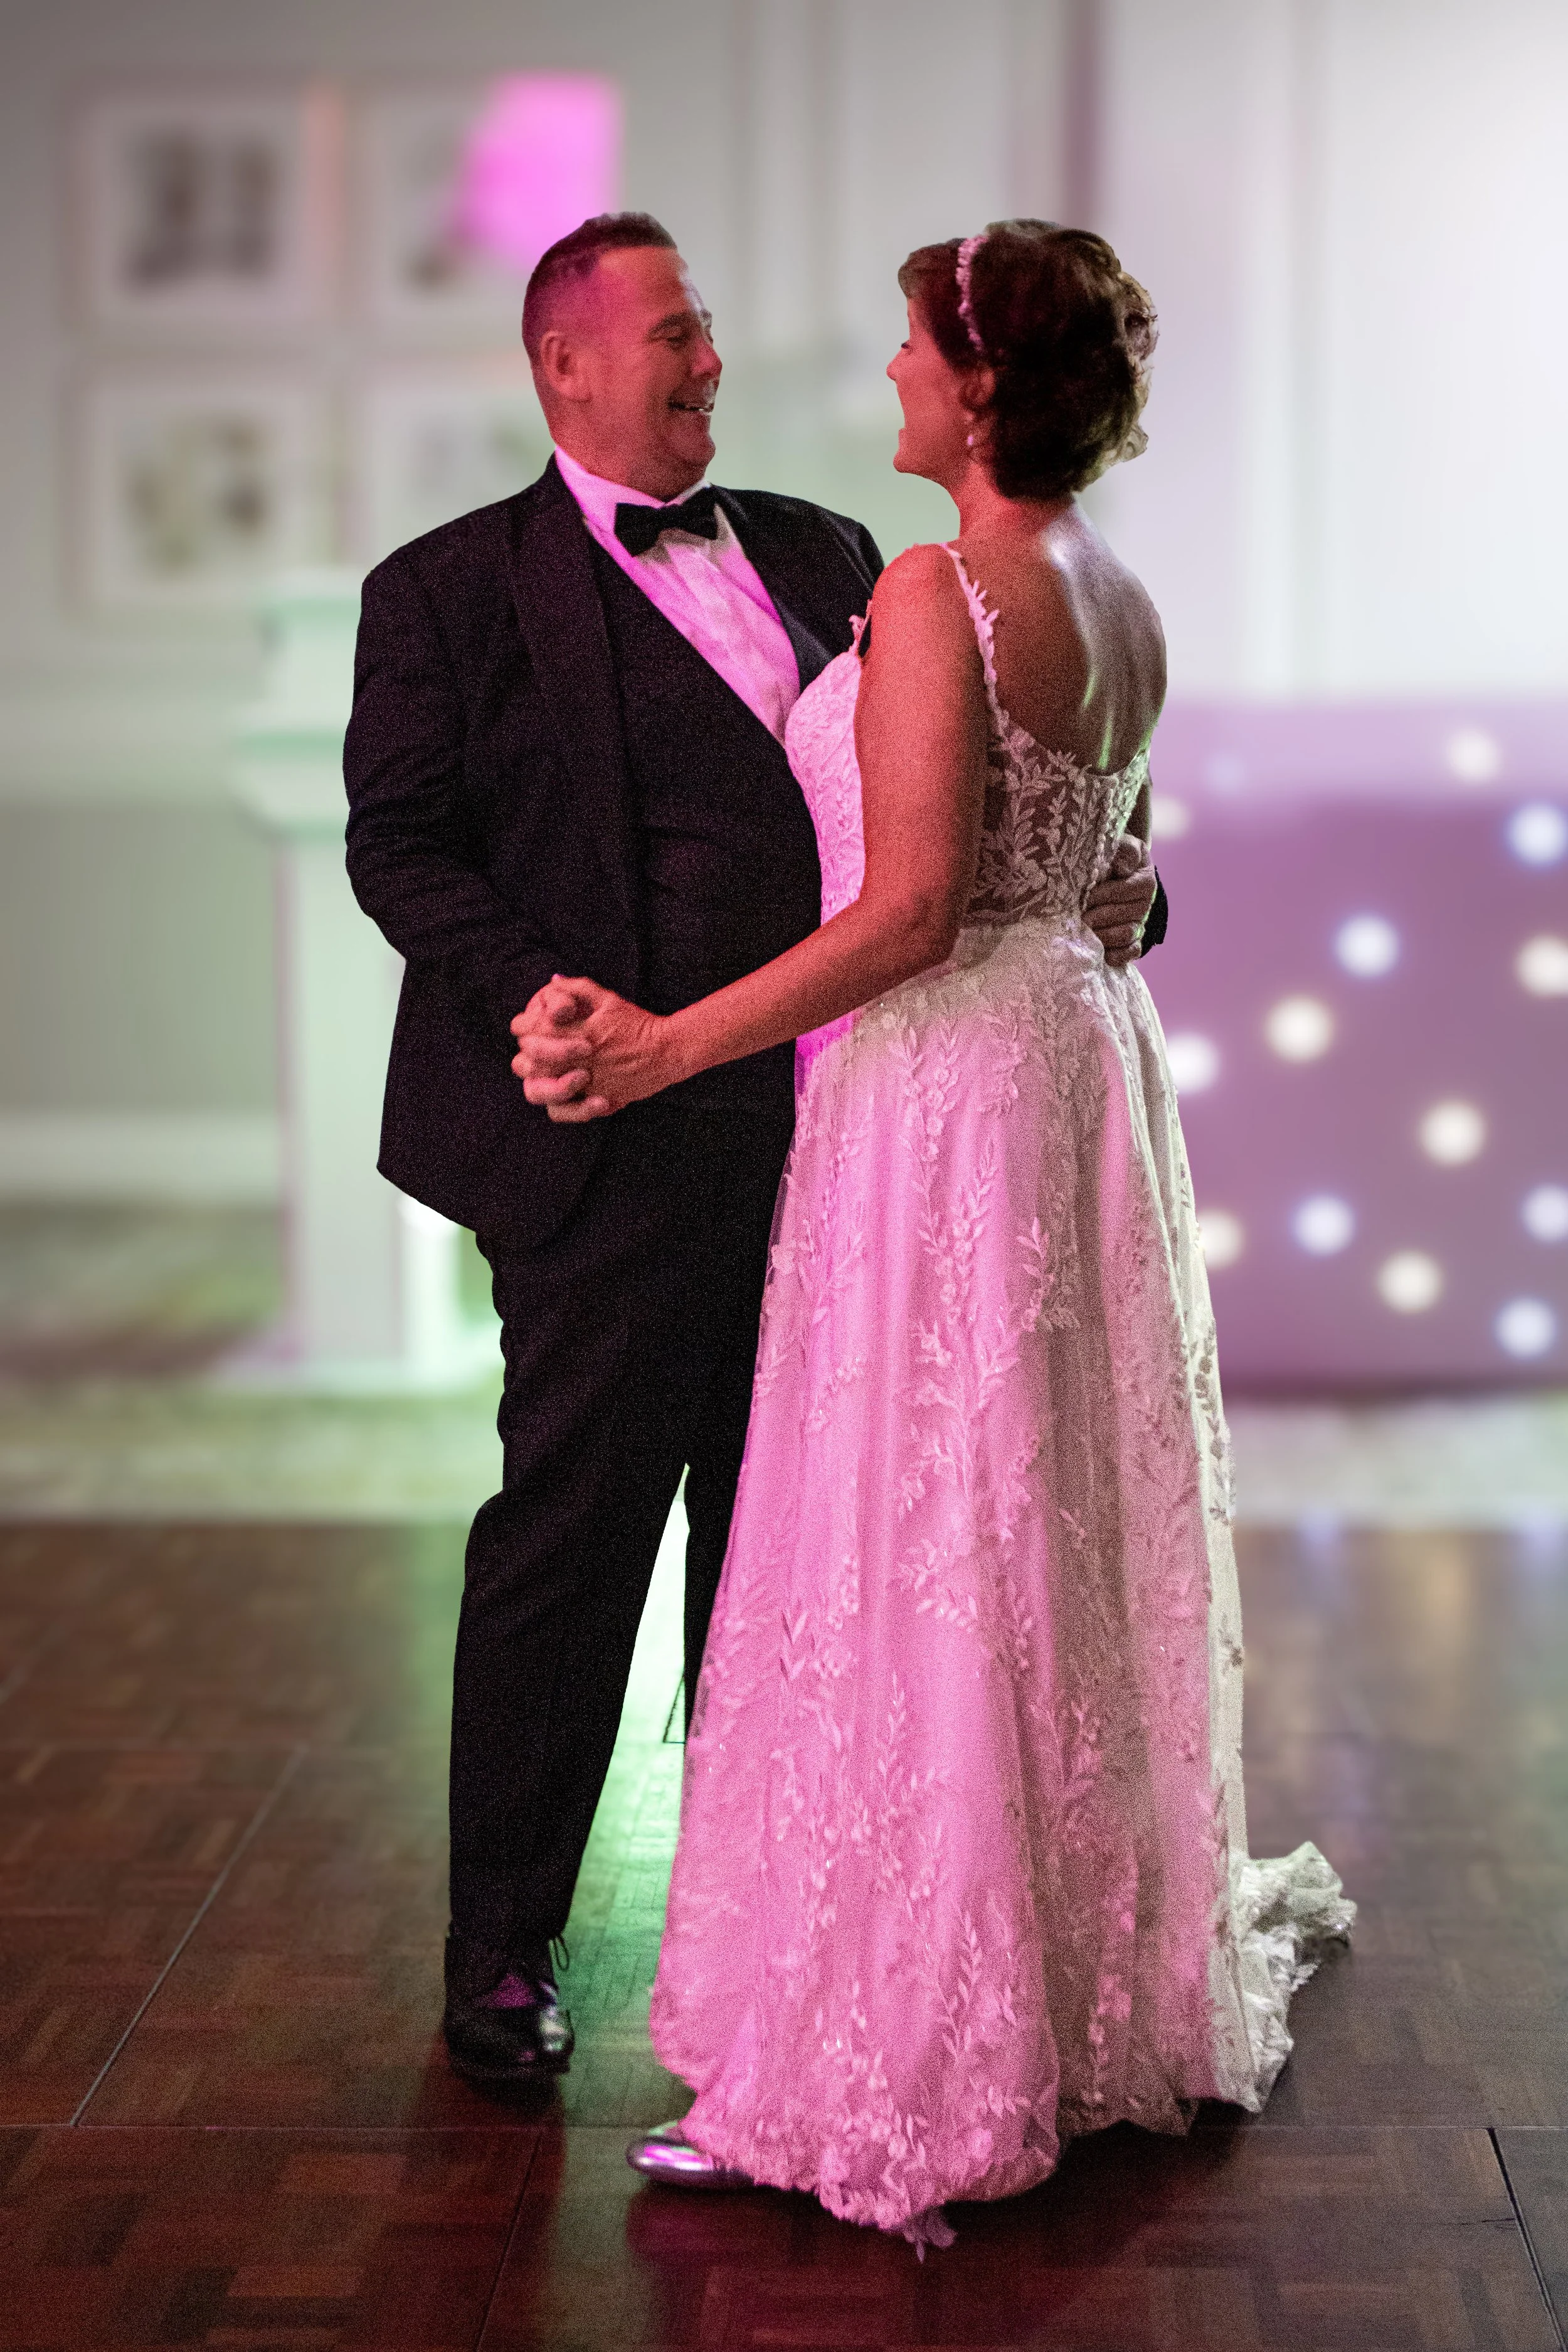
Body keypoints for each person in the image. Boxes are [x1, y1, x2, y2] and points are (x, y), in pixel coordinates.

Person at [514, 221, 1353, 2242]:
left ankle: (907, 2034)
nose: (884, 372)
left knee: (914, 1532)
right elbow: (1105, 863)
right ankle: (1073, 1983)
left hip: (950, 1093)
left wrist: (655, 1050)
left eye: (909, 345)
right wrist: (1098, 911)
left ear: (977, 390)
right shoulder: (1112, 590)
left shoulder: (929, 589)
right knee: (1026, 1516)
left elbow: (901, 915)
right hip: (1072, 1068)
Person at [342, 211, 1163, 2089]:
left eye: (707, 330)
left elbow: (953, 819)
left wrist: (1098, 887)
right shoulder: (444, 592)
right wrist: (531, 996)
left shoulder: (837, 553)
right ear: (563, 362)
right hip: (604, 1148)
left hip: (850, 1139)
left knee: (795, 1558)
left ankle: (771, 1943)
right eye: (676, 337)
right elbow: (400, 843)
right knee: (565, 1544)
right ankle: (501, 1948)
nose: (711, 365)